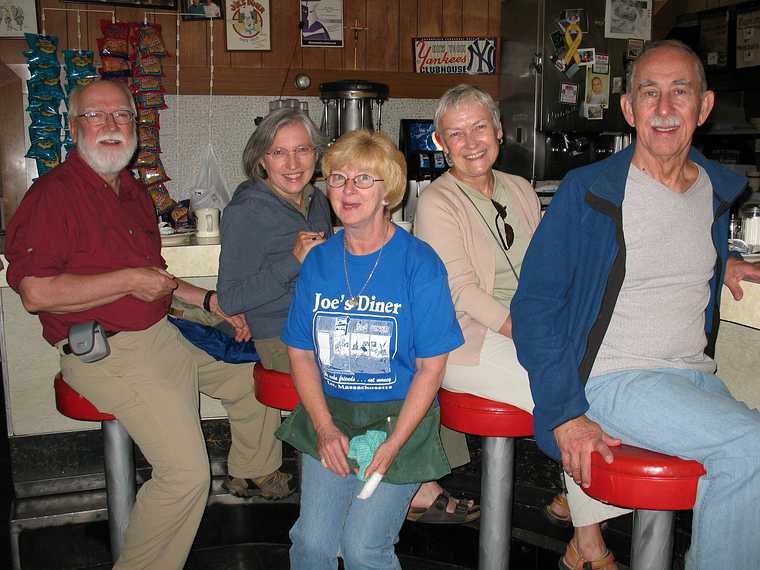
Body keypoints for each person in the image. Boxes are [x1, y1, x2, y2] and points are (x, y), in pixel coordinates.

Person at [4, 79, 289, 570]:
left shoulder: (132, 189)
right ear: (75, 128)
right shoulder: (53, 195)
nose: (111, 125)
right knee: (185, 475)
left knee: (250, 376)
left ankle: (252, 472)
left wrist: (211, 300)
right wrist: (129, 281)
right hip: (107, 352)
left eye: (122, 116)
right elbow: (36, 292)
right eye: (97, 116)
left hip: (160, 335)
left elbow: (154, 280)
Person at [511, 40, 760, 570]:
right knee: (749, 448)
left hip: (694, 377)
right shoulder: (590, 191)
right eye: (650, 93)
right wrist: (564, 412)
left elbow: (665, 263)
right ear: (629, 109)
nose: (665, 109)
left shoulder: (713, 191)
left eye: (680, 92)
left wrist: (723, 266)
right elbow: (535, 305)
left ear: (704, 106)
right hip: (616, 379)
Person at [415, 83, 614, 565]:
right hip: (469, 341)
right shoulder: (436, 202)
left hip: (532, 330)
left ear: (499, 131)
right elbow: (460, 292)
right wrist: (533, 335)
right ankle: (587, 542)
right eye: (455, 133)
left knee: (611, 377)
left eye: (479, 127)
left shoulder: (521, 188)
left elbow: (554, 263)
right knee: (565, 394)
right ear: (440, 142)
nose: (470, 141)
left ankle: (579, 501)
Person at [277, 129, 464, 569]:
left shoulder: (420, 264)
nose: (347, 190)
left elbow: (429, 370)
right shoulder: (318, 262)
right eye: (338, 178)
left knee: (364, 548)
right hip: (333, 414)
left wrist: (395, 443)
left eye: (364, 179)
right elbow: (301, 353)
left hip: (399, 418)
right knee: (312, 544)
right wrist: (324, 428)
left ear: (389, 192)